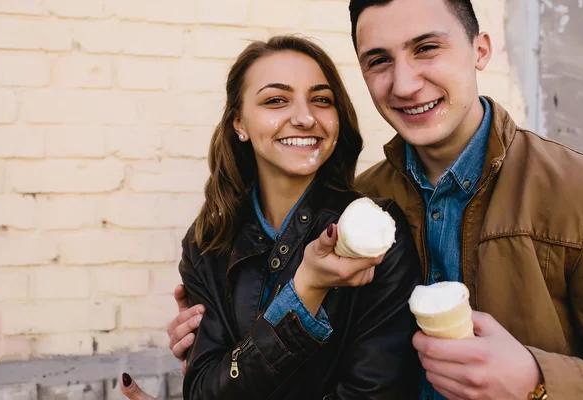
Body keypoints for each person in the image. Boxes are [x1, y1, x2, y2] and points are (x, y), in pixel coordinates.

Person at [128, 0, 583, 398]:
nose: (405, 84)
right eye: (379, 60)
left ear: (481, 50)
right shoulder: (357, 212)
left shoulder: (574, 190)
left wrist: (537, 382)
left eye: (427, 48)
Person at [123, 35, 422, 399]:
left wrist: (304, 291)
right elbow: (203, 390)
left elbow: (374, 392)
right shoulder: (207, 244)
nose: (305, 117)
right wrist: (305, 289)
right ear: (239, 124)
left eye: (321, 100)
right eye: (276, 100)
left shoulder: (375, 231)